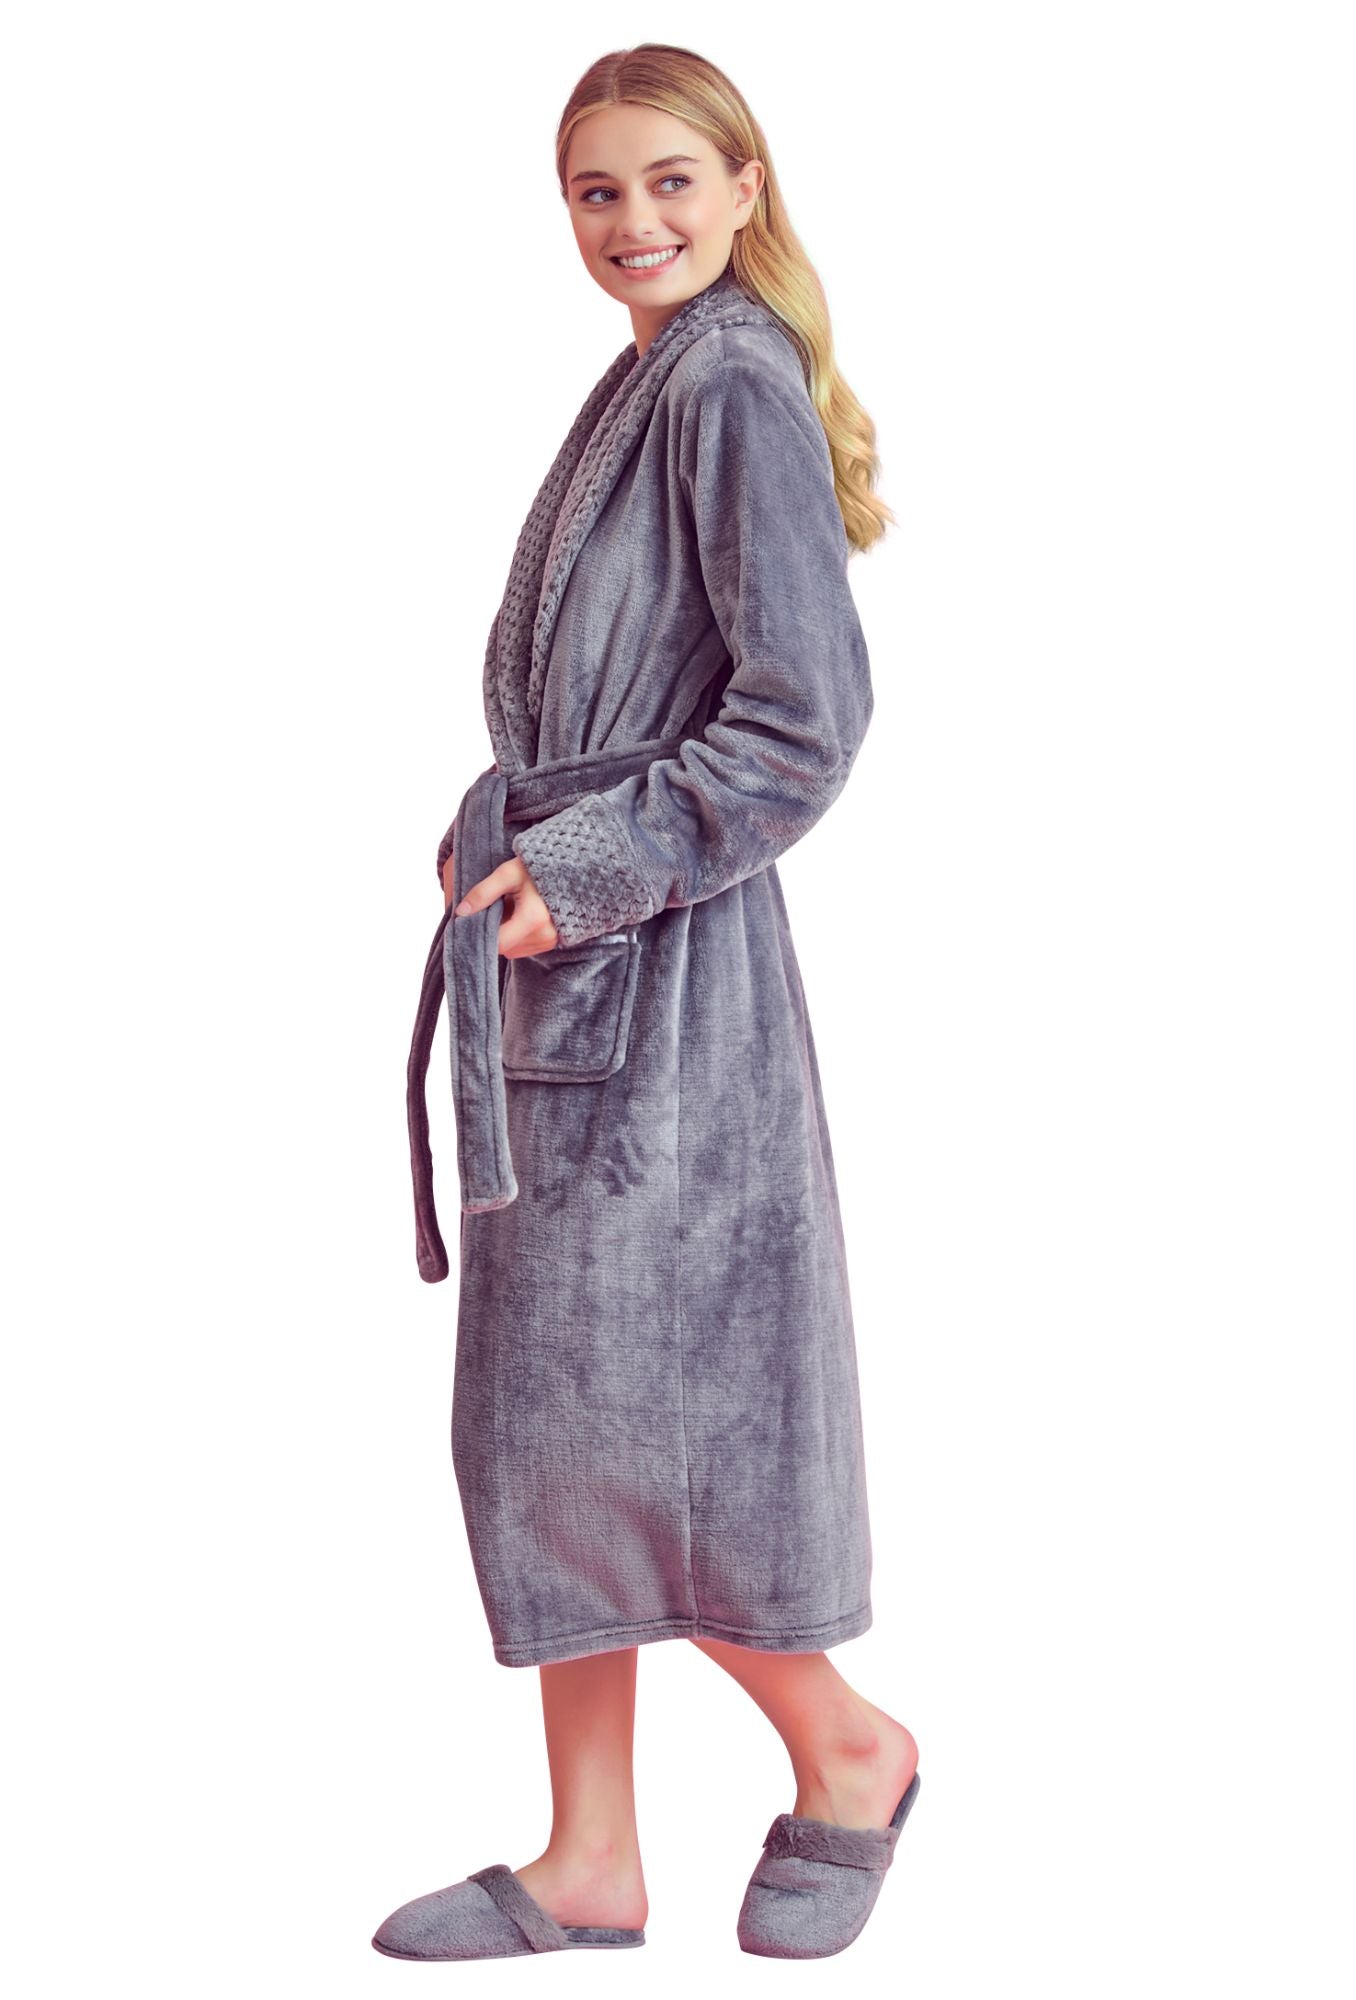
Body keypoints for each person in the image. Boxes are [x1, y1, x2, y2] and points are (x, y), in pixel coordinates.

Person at [381, 43, 921, 1964]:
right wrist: (507, 850)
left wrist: (594, 869)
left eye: (672, 181)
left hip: (669, 996)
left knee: (647, 1421)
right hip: (569, 975)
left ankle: (847, 1750)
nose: (634, 222)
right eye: (597, 192)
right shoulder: (647, 380)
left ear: (746, 186)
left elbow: (803, 725)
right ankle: (591, 1855)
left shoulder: (729, 385)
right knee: (549, 1432)